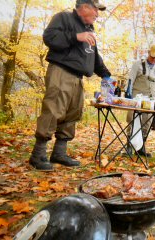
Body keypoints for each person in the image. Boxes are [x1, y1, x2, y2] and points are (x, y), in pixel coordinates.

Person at [29, 0, 111, 171]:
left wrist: (105, 74)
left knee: (72, 113)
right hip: (61, 71)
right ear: (85, 7)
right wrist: (75, 37)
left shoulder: (90, 30)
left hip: (78, 77)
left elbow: (93, 56)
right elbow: (49, 38)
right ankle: (38, 155)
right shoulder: (64, 18)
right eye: (96, 10)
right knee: (53, 111)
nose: (98, 14)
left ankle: (59, 153)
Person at [125, 44, 155, 157]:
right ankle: (129, 146)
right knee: (132, 120)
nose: (154, 59)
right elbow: (130, 79)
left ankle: (141, 148)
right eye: (152, 56)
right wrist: (128, 94)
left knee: (146, 123)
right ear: (148, 53)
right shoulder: (138, 65)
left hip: (150, 101)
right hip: (136, 98)